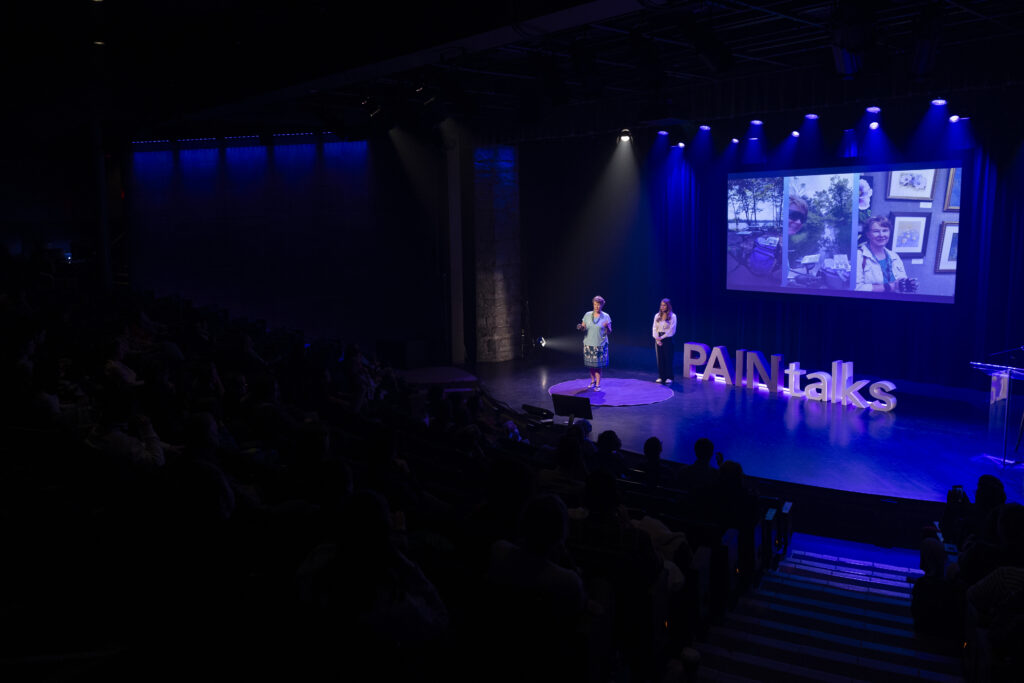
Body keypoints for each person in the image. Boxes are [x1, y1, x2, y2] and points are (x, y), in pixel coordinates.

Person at [855, 216, 916, 293]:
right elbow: (857, 288)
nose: (881, 235)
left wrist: (907, 284)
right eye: (876, 231)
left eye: (885, 230)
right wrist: (890, 287)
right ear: (868, 234)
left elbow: (901, 281)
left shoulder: (894, 256)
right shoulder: (859, 256)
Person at [576, 295, 611, 391]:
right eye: (595, 304)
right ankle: (592, 381)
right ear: (593, 304)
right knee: (591, 365)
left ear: (602, 305)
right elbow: (583, 328)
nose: (597, 307)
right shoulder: (587, 315)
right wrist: (580, 327)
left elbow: (609, 332)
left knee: (598, 366)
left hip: (600, 345)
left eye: (599, 305)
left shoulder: (606, 316)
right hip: (588, 344)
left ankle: (598, 384)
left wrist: (607, 327)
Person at [652, 298, 677, 384]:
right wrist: (656, 338)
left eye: (664, 305)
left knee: (668, 358)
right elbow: (654, 328)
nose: (662, 307)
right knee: (660, 358)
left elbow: (672, 330)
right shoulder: (657, 316)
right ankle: (661, 376)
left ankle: (669, 377)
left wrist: (661, 338)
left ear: (668, 306)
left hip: (667, 339)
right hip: (658, 339)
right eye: (661, 305)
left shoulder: (672, 316)